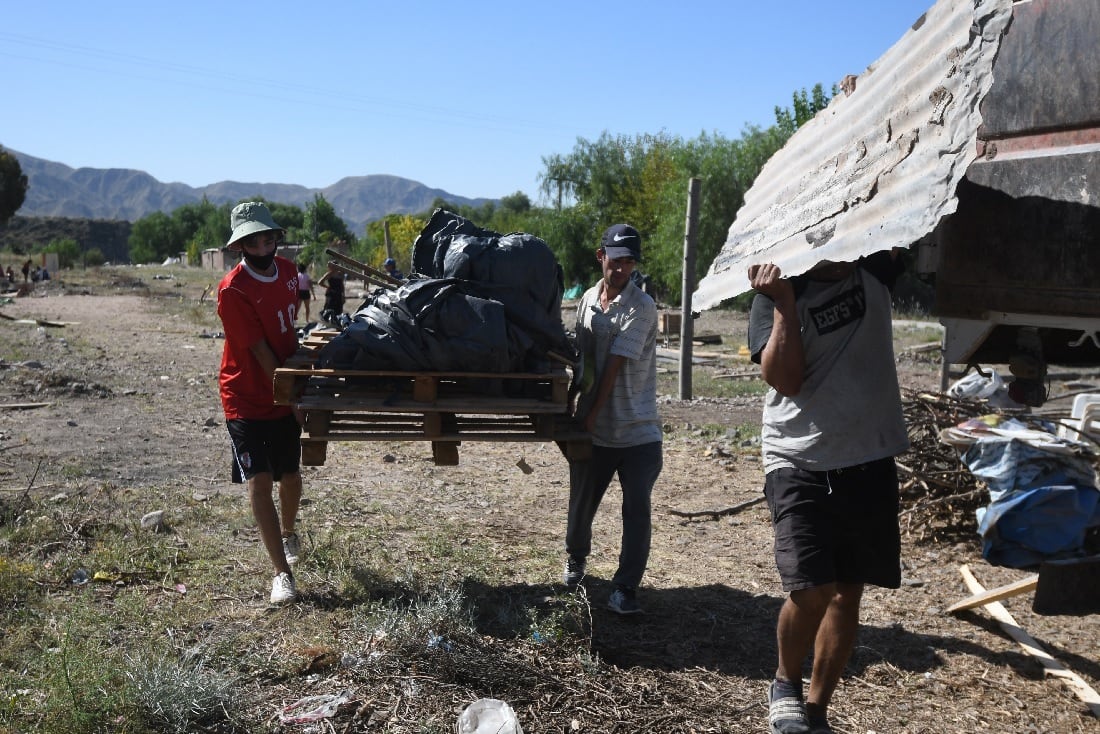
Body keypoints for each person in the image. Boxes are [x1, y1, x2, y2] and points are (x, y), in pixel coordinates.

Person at [747, 252, 908, 734]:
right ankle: (784, 682)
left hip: (868, 455)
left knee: (846, 594)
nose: (841, 256)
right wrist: (783, 304)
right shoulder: (775, 294)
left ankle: (817, 712)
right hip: (798, 459)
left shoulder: (876, 270)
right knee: (811, 589)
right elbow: (785, 380)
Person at [563, 224, 662, 615]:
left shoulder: (642, 306)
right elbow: (583, 362)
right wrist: (570, 402)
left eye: (628, 262)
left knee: (636, 508)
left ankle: (625, 588)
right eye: (614, 260)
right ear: (600, 256)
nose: (620, 269)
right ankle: (576, 558)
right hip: (595, 427)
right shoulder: (587, 300)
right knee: (581, 504)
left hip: (638, 431)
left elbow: (614, 369)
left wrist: (588, 418)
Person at [217, 202, 306, 605]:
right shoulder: (233, 290)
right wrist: (291, 398)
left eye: (268, 236)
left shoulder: (288, 272)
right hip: (247, 396)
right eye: (254, 239)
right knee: (260, 481)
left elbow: (289, 330)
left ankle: (289, 532)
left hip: (285, 385)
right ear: (241, 245)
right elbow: (259, 351)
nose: (264, 243)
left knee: (290, 476)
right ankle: (281, 575)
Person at [318, 260, 346, 326]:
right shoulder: (329, 274)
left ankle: (337, 324)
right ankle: (328, 324)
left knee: (338, 310)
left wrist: (343, 295)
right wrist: (327, 287)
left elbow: (342, 286)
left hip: (338, 294)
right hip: (331, 295)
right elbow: (320, 282)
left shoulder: (340, 274)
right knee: (329, 309)